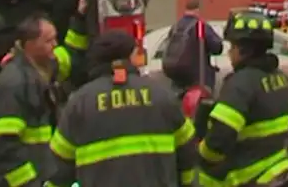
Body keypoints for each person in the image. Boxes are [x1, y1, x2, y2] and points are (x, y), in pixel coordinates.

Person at [46, 30, 199, 187]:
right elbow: (187, 149)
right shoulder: (162, 95)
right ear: (129, 57)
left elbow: (58, 169)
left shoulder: (79, 104)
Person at [0, 0, 89, 187]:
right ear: (29, 45)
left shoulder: (43, 67)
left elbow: (71, 56)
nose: (55, 45)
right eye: (48, 41)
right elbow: (5, 149)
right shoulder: (12, 84)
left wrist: (80, 17)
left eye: (55, 38)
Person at [198, 11, 288, 187]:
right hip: (276, 170)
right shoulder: (281, 79)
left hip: (246, 177)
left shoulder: (240, 84)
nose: (230, 52)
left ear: (245, 50)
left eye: (233, 47)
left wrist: (201, 155)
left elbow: (219, 139)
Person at [162, 0, 225, 93]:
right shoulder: (200, 26)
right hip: (197, 76)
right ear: (198, 10)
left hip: (176, 74)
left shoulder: (175, 27)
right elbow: (217, 47)